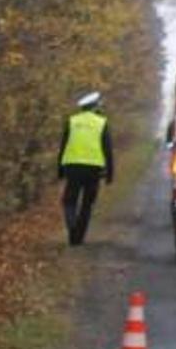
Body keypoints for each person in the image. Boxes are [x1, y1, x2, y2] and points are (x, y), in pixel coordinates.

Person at [58, 91, 115, 246]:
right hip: (93, 168)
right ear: (95, 106)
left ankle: (72, 229)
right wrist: (110, 173)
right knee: (87, 204)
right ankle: (79, 237)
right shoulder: (101, 122)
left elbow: (63, 146)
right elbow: (107, 149)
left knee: (69, 201)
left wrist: (60, 169)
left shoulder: (72, 121)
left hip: (73, 167)